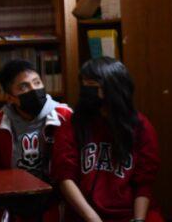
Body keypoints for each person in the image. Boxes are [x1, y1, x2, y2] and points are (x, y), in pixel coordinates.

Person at [52, 57, 162, 222]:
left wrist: (138, 219)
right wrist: (93, 219)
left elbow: (144, 182)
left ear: (113, 88)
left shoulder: (141, 126)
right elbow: (65, 177)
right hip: (85, 214)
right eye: (84, 85)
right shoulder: (72, 125)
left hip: (130, 212)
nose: (86, 91)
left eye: (92, 85)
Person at [0, 59, 71, 220]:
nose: (34, 90)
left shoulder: (65, 116)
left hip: (54, 200)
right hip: (12, 201)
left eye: (37, 82)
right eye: (24, 87)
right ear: (10, 98)